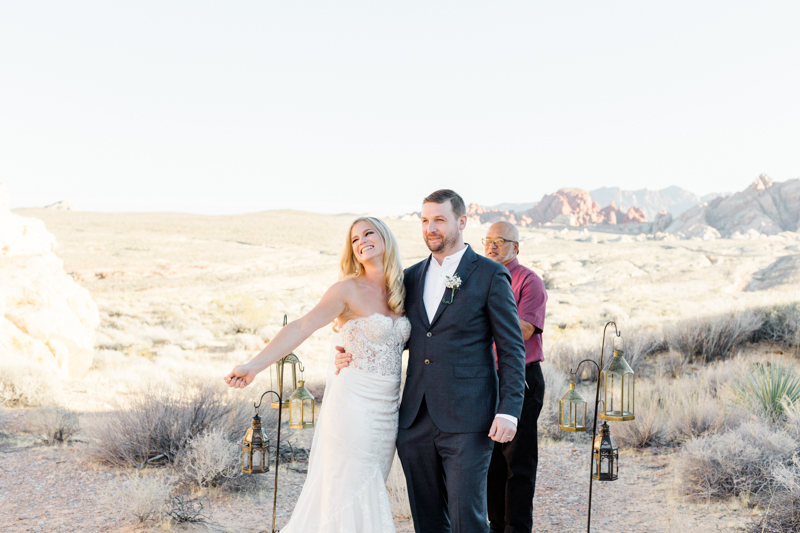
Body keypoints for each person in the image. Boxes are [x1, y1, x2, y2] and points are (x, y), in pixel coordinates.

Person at [337, 190, 526, 533]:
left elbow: (512, 349)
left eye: (439, 219)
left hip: (469, 420)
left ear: (461, 222)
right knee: (426, 522)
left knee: (466, 519)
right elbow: (399, 335)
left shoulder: (489, 275)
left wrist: (509, 410)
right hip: (414, 422)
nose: (431, 228)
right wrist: (352, 352)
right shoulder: (410, 277)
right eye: (425, 221)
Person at [225, 216, 410, 533]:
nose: (362, 241)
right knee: (350, 490)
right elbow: (301, 326)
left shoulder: (404, 290)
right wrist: (253, 366)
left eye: (368, 233)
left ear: (386, 238)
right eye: (354, 239)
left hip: (387, 413)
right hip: (353, 406)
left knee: (370, 486)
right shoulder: (346, 290)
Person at [483, 221, 548, 533]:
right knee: (491, 462)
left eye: (501, 241)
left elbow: (525, 329)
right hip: (486, 378)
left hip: (521, 378)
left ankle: (517, 529)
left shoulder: (528, 281)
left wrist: (483, 324)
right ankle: (497, 527)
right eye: (488, 241)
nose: (492, 246)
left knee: (517, 463)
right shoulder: (480, 277)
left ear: (516, 247)